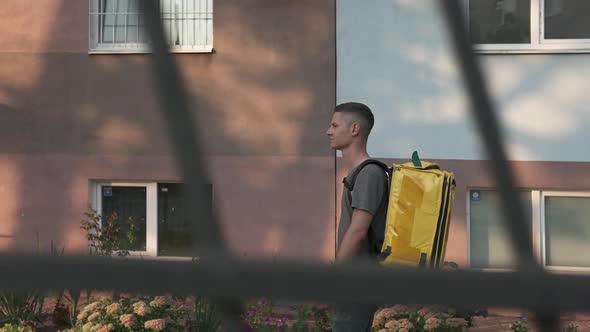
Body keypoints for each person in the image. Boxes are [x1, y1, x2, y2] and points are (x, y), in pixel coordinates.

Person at [326, 102, 388, 331]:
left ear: (354, 129)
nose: (328, 131)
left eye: (334, 125)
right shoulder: (359, 174)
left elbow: (358, 231)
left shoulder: (369, 174)